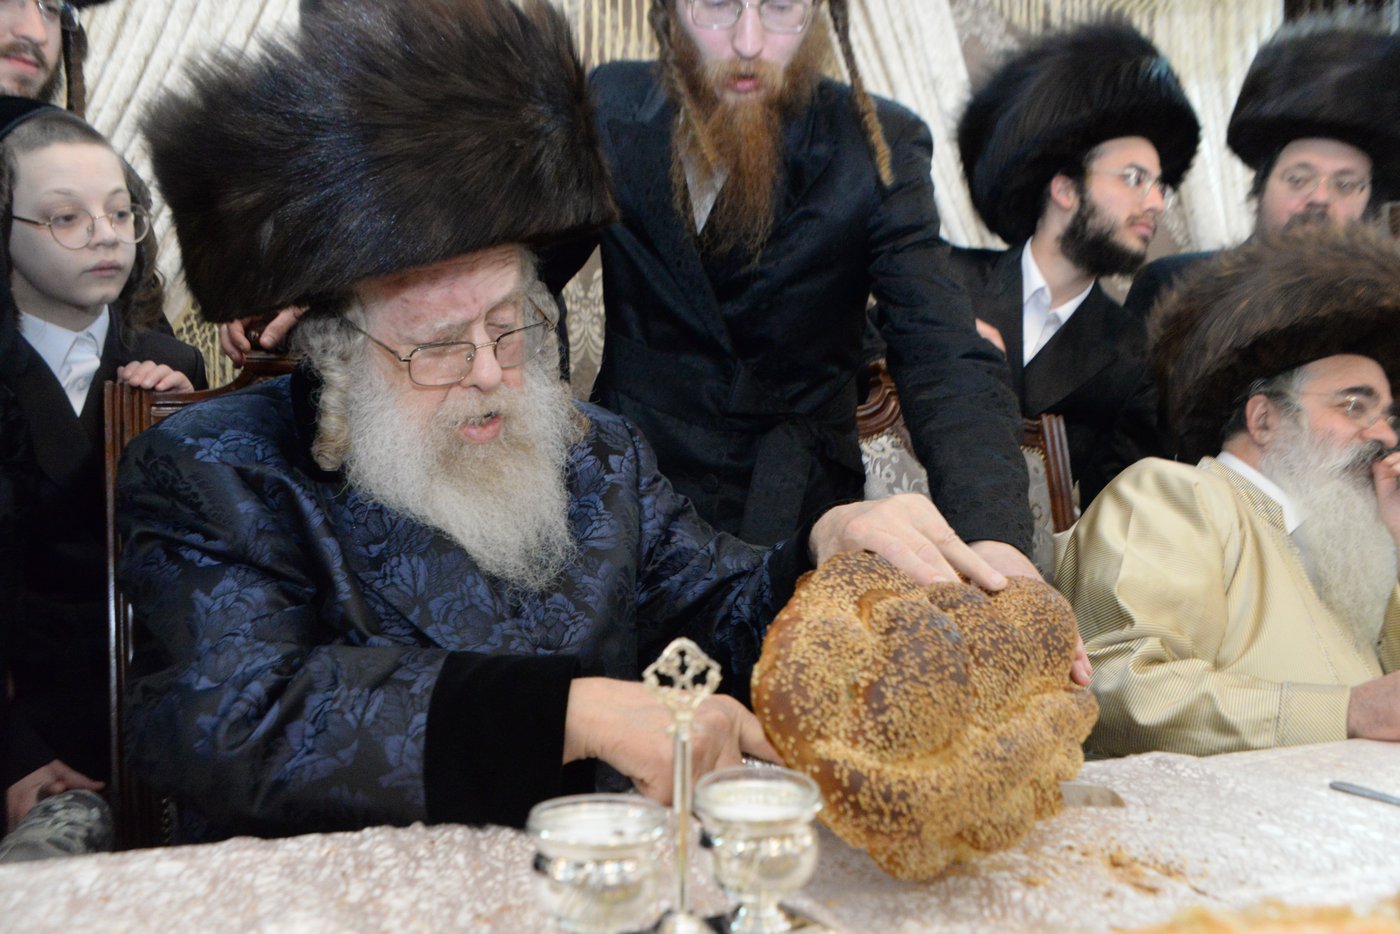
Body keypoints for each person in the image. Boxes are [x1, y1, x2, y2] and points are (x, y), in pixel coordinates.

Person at [123, 0, 1074, 843]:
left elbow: (720, 609)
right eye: (439, 346)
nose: (491, 372)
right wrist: (564, 716)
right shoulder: (217, 470)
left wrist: (826, 544)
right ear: (335, 348)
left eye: (510, 324)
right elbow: (223, 719)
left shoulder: (597, 457)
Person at [527, 0, 1034, 583]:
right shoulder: (610, 104)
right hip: (626, 498)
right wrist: (546, 427)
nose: (748, 41)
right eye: (718, 5)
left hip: (794, 516)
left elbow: (940, 348)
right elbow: (528, 274)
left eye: (779, 7)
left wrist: (993, 537)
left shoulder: (876, 144)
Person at [1056, 227, 1400, 758]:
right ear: (1264, 420)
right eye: (1354, 406)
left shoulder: (1348, 548)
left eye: (1389, 418)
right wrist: (1346, 712)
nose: (1385, 437)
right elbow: (1123, 689)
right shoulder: (1173, 495)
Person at [0, 99, 205, 847]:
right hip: (29, 731)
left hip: (161, 716)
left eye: (120, 213)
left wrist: (185, 422)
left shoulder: (171, 364)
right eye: (67, 217)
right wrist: (12, 756)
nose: (105, 235)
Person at [944, 20, 1198, 506]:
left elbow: (1123, 517)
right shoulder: (944, 280)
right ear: (1064, 188)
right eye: (1133, 178)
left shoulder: (1133, 356)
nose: (1155, 203)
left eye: (1160, 186)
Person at [1122, 16, 1400, 320]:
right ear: (1261, 189)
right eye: (1298, 179)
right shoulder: (1171, 287)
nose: (1319, 198)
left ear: (1370, 204)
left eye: (1344, 185)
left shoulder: (1386, 310)